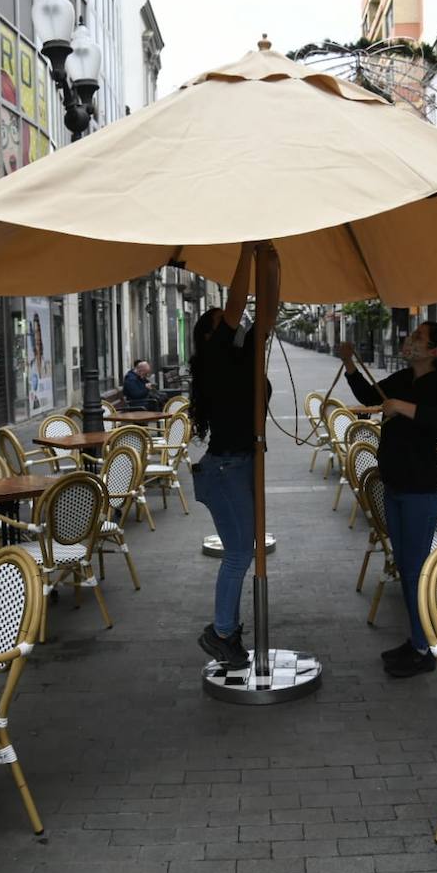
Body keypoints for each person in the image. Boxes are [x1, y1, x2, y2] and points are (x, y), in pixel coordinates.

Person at [341, 322, 437, 677]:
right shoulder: (404, 377)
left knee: (414, 571)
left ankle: (424, 648)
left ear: (435, 351)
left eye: (418, 339)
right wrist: (349, 364)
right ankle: (417, 640)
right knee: (405, 568)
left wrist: (402, 407)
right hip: (395, 486)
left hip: (419, 489)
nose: (409, 342)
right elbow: (369, 396)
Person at [189, 243, 277, 668]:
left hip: (239, 464)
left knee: (246, 549)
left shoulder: (241, 356)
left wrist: (272, 263)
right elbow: (237, 303)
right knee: (241, 553)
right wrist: (247, 252)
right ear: (209, 334)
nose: (231, 322)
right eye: (219, 321)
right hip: (225, 468)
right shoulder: (213, 354)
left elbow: (266, 314)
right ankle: (221, 632)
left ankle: (229, 630)